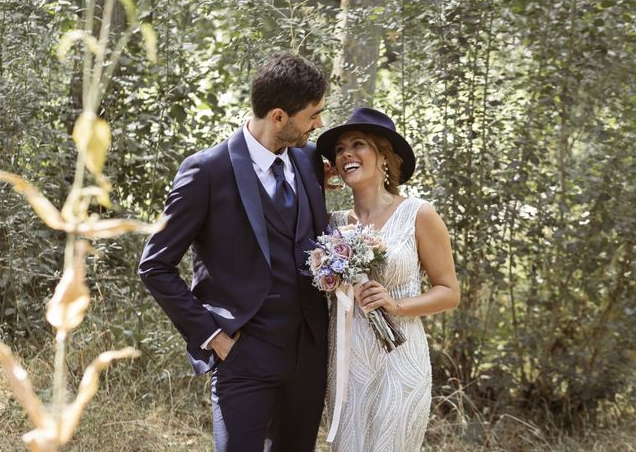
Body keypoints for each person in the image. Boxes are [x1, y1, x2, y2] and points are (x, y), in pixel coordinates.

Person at [138, 52, 330, 452]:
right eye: (313, 115)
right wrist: (213, 336)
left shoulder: (309, 160)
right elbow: (155, 266)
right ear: (279, 116)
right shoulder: (206, 171)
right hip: (242, 357)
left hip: (308, 359)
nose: (319, 124)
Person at [316, 107, 461, 451]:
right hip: (347, 363)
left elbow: (449, 292)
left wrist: (395, 305)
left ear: (384, 157)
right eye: (339, 149)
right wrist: (312, 185)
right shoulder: (330, 223)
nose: (346, 153)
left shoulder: (419, 214)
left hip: (400, 360)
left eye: (358, 144)